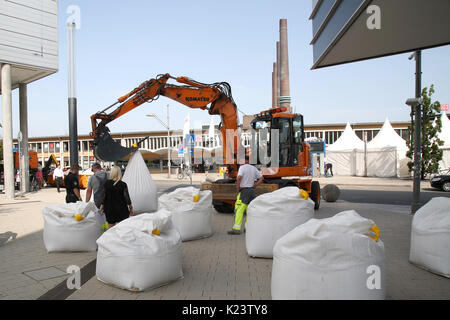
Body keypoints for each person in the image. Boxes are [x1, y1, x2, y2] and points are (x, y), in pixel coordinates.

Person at [228, 157, 264, 235]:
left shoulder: (242, 168)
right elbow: (261, 178)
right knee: (249, 210)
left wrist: (238, 187)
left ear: (246, 161)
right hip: (251, 191)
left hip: (244, 191)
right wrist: (255, 185)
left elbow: (239, 177)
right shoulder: (253, 168)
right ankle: (247, 228)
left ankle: (236, 229)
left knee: (239, 210)